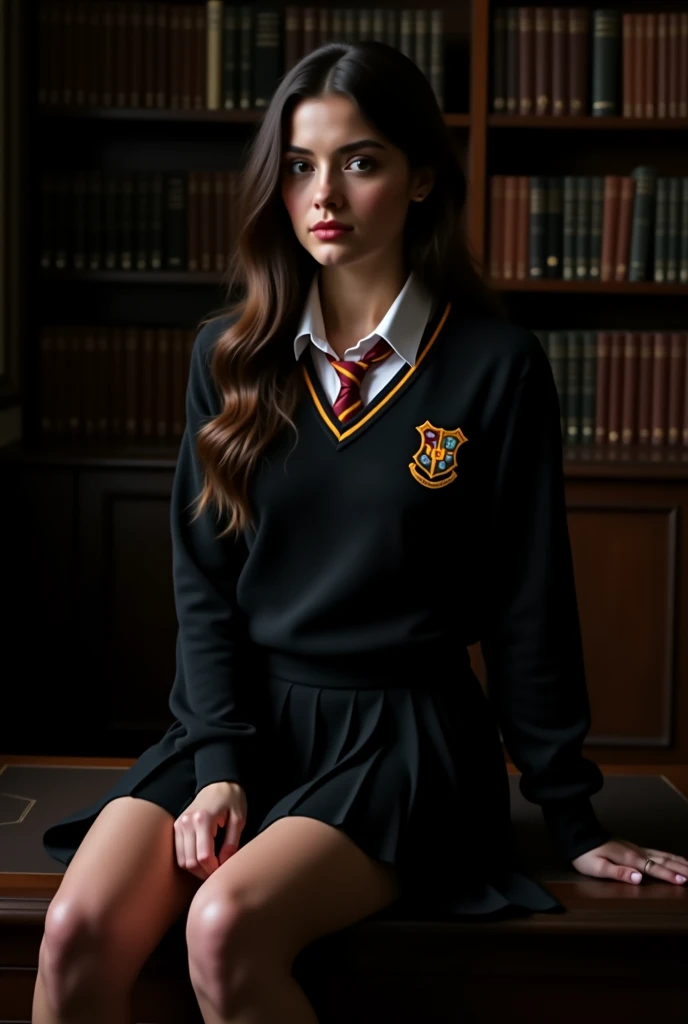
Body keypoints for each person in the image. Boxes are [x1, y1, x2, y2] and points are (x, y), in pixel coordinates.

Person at [35, 39, 687, 1024]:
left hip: (399, 736)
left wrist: (569, 812)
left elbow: (528, 600)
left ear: (422, 176)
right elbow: (204, 581)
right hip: (241, 716)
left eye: (360, 160)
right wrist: (217, 765)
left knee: (223, 926)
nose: (322, 194)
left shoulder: (494, 366)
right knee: (74, 930)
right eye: (299, 165)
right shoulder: (229, 354)